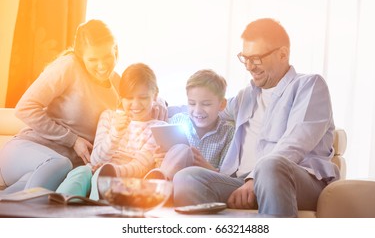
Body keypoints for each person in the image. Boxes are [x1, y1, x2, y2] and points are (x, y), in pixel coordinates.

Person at [172, 18, 339, 218]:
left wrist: (255, 179)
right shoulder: (246, 96)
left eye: (256, 58)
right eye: (245, 58)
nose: (249, 66)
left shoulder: (309, 86)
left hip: (298, 180)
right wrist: (160, 107)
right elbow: (209, 107)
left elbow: (295, 143)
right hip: (242, 182)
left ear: (283, 54)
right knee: (187, 178)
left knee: (270, 165)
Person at [0, 19, 121, 194]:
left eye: (107, 56)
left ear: (115, 50)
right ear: (81, 57)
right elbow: (25, 108)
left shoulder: (117, 84)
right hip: (24, 154)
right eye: (93, 59)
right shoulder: (69, 66)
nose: (102, 65)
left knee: (16, 199)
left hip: (54, 174)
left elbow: (139, 109)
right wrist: (73, 140)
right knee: (60, 164)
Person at [56, 63, 168, 199]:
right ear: (121, 97)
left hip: (125, 178)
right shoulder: (108, 117)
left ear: (155, 95)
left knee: (104, 178)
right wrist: (115, 133)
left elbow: (140, 166)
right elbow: (96, 159)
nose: (136, 104)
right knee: (80, 172)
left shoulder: (157, 128)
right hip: (94, 169)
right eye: (129, 98)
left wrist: (111, 170)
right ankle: (58, 209)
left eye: (143, 98)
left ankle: (94, 209)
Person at [147, 69, 235, 180]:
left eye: (206, 104)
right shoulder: (176, 121)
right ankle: (161, 181)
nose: (197, 110)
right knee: (181, 150)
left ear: (222, 104)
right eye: (192, 103)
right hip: (171, 181)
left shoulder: (229, 133)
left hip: (202, 185)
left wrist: (206, 167)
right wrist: (160, 159)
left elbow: (226, 179)